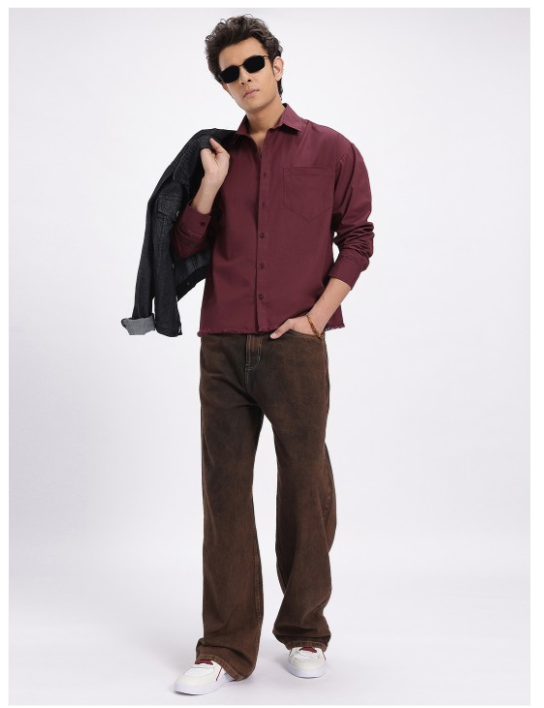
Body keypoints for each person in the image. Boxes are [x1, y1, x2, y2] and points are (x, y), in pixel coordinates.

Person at [173, 14, 375, 695]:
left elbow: (358, 238)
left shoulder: (332, 150)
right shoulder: (214, 154)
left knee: (305, 488)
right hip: (223, 346)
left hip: (295, 346)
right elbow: (184, 247)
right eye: (229, 73)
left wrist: (316, 319)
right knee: (224, 494)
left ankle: (306, 630)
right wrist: (210, 184)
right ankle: (224, 647)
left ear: (278, 64)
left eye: (252, 64)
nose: (243, 79)